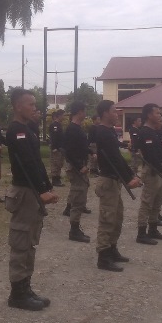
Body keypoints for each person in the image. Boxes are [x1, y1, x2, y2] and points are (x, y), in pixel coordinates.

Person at [5, 88, 58, 311]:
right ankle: (17, 293)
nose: (34, 108)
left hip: (33, 191)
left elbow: (37, 162)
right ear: (18, 106)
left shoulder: (29, 129)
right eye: (30, 104)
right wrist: (40, 189)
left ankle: (25, 287)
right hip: (25, 192)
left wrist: (46, 186)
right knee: (22, 241)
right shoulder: (16, 131)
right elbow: (27, 164)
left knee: (30, 241)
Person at [92, 100, 141, 271]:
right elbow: (113, 159)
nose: (117, 114)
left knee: (117, 217)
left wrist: (130, 175)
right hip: (107, 180)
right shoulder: (102, 133)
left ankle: (112, 249)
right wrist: (129, 179)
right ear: (105, 113)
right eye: (114, 111)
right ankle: (103, 256)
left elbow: (119, 158)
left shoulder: (110, 132)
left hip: (115, 181)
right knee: (107, 219)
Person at [136, 103, 162, 246]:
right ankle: (141, 233)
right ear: (149, 115)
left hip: (159, 170)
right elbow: (151, 156)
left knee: (158, 200)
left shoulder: (154, 132)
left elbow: (160, 154)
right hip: (152, 171)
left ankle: (153, 229)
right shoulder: (145, 132)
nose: (160, 115)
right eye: (157, 113)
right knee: (147, 202)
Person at [62, 101, 92, 243]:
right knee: (78, 197)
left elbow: (82, 146)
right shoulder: (72, 129)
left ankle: (76, 227)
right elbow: (69, 152)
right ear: (79, 112)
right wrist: (80, 166)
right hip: (77, 168)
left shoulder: (77, 128)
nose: (85, 114)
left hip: (81, 166)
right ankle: (74, 230)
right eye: (84, 111)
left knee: (81, 196)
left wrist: (91, 152)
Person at [48, 109, 65, 187]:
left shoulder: (59, 125)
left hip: (60, 148)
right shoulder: (54, 125)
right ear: (59, 115)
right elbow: (54, 137)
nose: (63, 117)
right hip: (56, 148)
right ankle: (55, 180)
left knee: (59, 163)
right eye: (63, 115)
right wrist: (54, 147)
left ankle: (58, 178)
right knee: (55, 163)